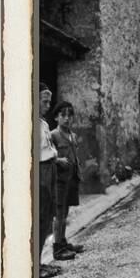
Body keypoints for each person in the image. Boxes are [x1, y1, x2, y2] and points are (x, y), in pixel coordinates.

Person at [39, 83, 75, 278]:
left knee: (47, 217)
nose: (47, 105)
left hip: (50, 169)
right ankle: (35, 265)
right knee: (42, 218)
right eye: (44, 101)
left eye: (48, 101)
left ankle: (39, 262)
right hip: (41, 171)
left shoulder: (42, 124)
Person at [50, 100, 85, 259]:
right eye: (62, 115)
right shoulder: (53, 135)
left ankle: (63, 242)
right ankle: (57, 249)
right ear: (56, 118)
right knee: (59, 215)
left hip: (71, 179)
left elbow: (75, 155)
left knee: (65, 213)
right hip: (60, 181)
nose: (67, 118)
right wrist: (58, 161)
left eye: (70, 115)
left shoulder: (72, 135)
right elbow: (46, 156)